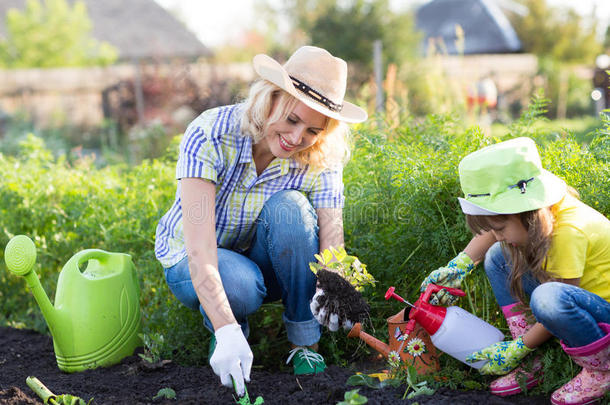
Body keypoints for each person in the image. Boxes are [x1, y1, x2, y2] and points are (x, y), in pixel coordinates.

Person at [154, 46, 368, 396]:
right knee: (238, 283)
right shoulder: (211, 133)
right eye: (292, 119)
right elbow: (200, 249)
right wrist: (226, 331)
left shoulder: (318, 155)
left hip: (258, 260)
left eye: (313, 130)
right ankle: (229, 329)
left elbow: (332, 236)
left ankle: (304, 343)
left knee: (292, 208)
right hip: (194, 259)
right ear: (270, 99)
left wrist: (336, 284)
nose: (297, 138)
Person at [419, 137, 610, 405]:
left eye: (499, 228)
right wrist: (460, 265)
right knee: (498, 255)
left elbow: (558, 304)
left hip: (602, 315)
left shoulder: (569, 233)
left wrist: (516, 349)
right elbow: (498, 228)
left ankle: (601, 369)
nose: (496, 235)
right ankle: (537, 360)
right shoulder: (539, 213)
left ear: (526, 212)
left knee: (547, 298)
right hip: (577, 304)